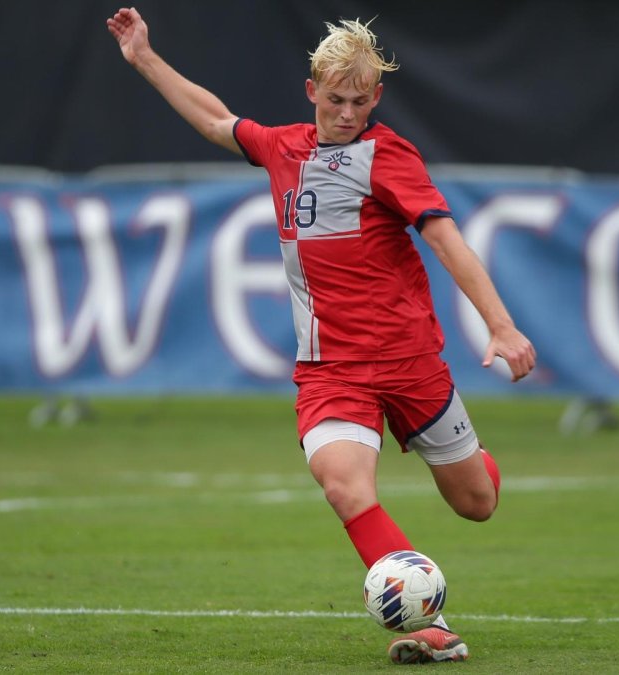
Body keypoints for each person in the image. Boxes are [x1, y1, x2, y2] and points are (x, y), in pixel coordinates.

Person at [108, 7, 536, 664]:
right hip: (330, 368)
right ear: (312, 92)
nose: (346, 112)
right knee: (343, 484)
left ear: (376, 99)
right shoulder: (282, 148)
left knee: (476, 502)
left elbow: (446, 240)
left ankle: (475, 460)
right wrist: (143, 58)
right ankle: (426, 621)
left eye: (359, 102)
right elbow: (214, 118)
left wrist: (501, 325)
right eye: (335, 99)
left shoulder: (386, 155)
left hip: (409, 360)